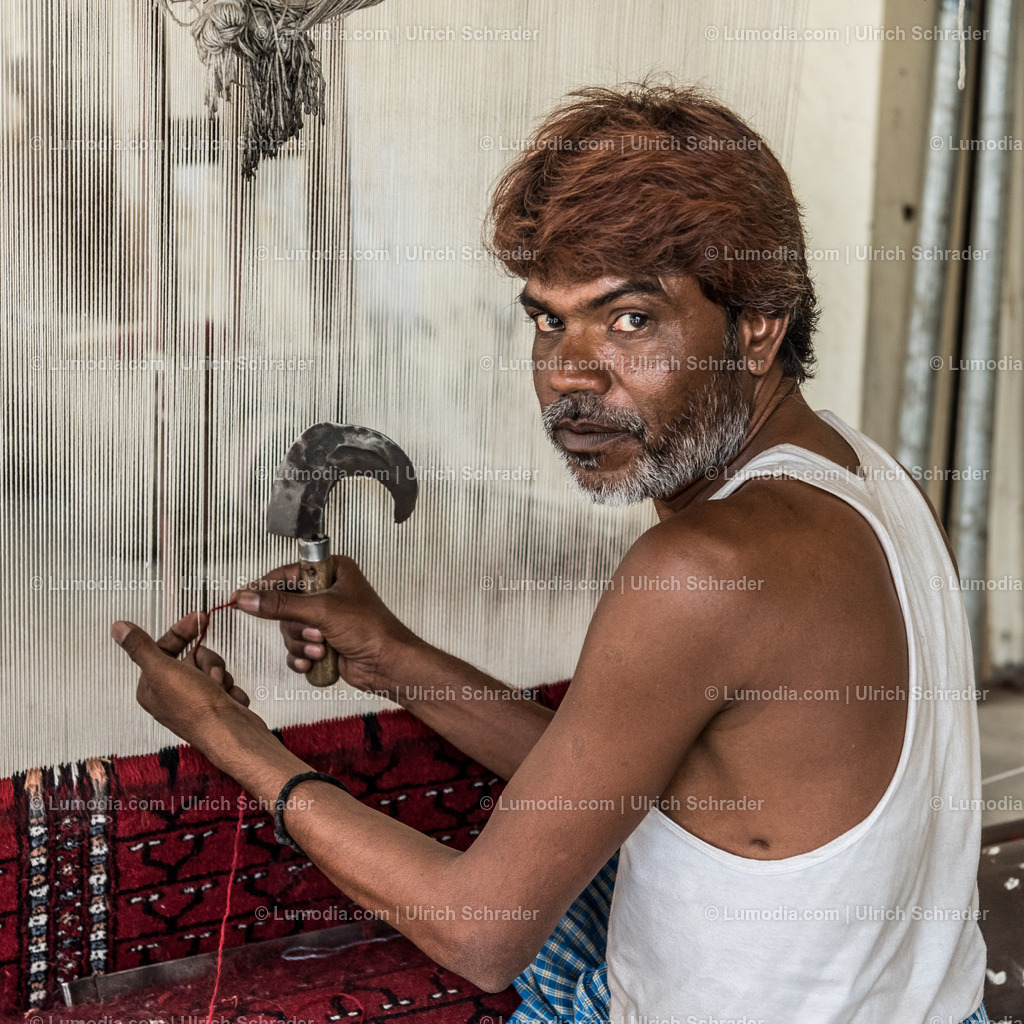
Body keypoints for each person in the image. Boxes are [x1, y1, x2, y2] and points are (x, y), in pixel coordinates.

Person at [112, 82, 989, 1024]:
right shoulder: (865, 474)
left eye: (631, 320)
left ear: (759, 328)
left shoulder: (705, 568)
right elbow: (626, 772)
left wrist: (228, 739)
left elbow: (480, 931)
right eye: (547, 318)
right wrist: (396, 656)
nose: (571, 374)